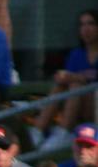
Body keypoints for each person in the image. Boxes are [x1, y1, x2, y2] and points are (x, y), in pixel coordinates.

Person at [33, 10, 98, 150]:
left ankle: (64, 132)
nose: (86, 29)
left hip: (95, 106)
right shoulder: (76, 54)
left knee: (75, 85)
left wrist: (77, 78)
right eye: (82, 25)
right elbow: (70, 78)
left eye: (91, 23)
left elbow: (80, 80)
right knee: (61, 86)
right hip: (76, 104)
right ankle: (37, 131)